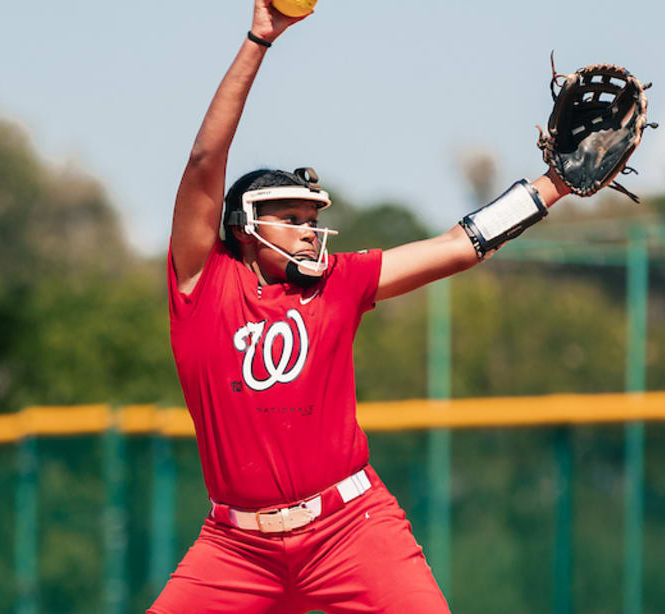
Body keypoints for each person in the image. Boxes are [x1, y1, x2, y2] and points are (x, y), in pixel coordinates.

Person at [154, 2, 575, 611]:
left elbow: (459, 246)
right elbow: (203, 162)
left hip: (350, 528)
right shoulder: (202, 283)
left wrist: (553, 186)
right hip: (237, 549)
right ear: (243, 225)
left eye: (312, 218)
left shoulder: (339, 283)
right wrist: (258, 39)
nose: (308, 229)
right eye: (290, 217)